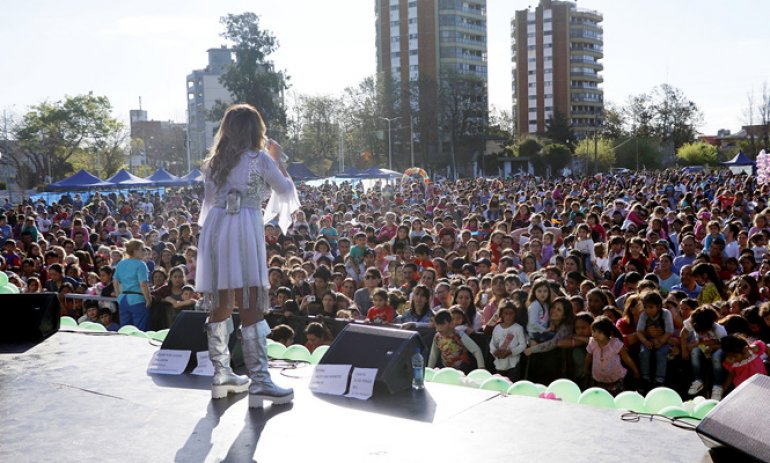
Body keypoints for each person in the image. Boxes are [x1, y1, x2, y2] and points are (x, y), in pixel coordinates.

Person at [196, 104, 299, 406]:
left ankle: (221, 374)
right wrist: (278, 161)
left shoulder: (214, 162)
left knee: (222, 301)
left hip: (216, 229)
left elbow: (208, 203)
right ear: (256, 130)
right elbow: (285, 191)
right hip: (243, 229)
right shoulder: (259, 159)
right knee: (251, 298)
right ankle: (260, 380)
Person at [586, 315, 640, 395]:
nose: (595, 335)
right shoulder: (593, 343)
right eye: (594, 331)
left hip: (616, 380)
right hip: (599, 381)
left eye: (599, 332)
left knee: (616, 399)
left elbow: (627, 359)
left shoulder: (615, 344)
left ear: (608, 333)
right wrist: (586, 368)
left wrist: (635, 371)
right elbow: (588, 357)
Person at [682, 306, 727, 400]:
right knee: (695, 352)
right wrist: (684, 351)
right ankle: (698, 380)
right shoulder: (692, 322)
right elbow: (683, 334)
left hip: (717, 349)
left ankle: (717, 386)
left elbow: (724, 344)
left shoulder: (719, 330)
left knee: (716, 357)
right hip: (703, 348)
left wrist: (712, 347)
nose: (701, 333)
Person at [427, 309, 485, 374]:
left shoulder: (459, 334)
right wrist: (429, 370)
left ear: (451, 323)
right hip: (445, 369)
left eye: (442, 324)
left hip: (461, 369)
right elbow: (433, 355)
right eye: (437, 324)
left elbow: (476, 350)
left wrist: (481, 368)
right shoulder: (437, 337)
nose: (439, 328)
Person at [636, 291, 674, 389]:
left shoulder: (666, 314)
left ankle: (659, 380)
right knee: (644, 352)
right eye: (646, 307)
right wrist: (645, 341)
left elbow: (669, 331)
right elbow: (639, 331)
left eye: (651, 307)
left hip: (664, 340)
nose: (648, 310)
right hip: (648, 340)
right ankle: (645, 378)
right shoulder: (643, 315)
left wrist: (661, 341)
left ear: (659, 306)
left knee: (661, 353)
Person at [113, 239, 152, 330]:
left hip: (123, 299)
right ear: (135, 251)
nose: (144, 251)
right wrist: (148, 299)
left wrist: (118, 296)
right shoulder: (141, 264)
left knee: (125, 330)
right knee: (140, 330)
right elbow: (143, 284)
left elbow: (115, 281)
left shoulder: (121, 263)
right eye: (142, 249)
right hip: (137, 300)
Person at [489, 299, 527, 381]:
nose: (508, 316)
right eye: (506, 313)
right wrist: (494, 351)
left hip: (513, 364)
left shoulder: (518, 328)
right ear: (502, 314)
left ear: (515, 314)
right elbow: (492, 343)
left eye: (511, 313)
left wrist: (510, 352)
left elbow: (523, 345)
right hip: (499, 363)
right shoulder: (497, 328)